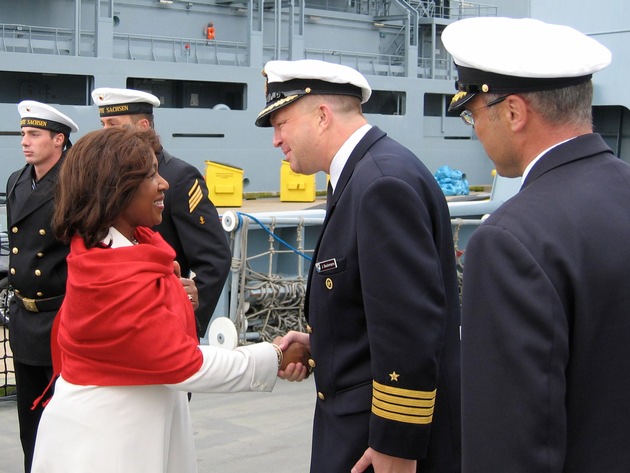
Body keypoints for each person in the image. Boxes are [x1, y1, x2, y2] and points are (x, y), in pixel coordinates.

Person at [29, 127, 309, 473]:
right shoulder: (117, 274)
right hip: (108, 443)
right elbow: (182, 365)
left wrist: (174, 296)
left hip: (130, 428)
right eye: (150, 175)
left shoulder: (115, 252)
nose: (164, 184)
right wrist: (275, 355)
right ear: (116, 189)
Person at [442, 17, 630, 473]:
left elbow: (508, 445)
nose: (474, 129)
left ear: (513, 113)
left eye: (474, 113)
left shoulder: (509, 242)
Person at [256, 59, 461, 473]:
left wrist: (396, 445)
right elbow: (375, 310)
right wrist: (325, 345)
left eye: (281, 124)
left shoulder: (381, 183)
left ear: (321, 115)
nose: (276, 140)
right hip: (358, 428)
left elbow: (411, 327)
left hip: (377, 444)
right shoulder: (360, 176)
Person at [91, 87, 231, 340]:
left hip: (165, 324)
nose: (105, 133)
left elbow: (214, 258)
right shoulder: (105, 176)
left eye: (113, 124)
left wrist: (188, 320)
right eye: (103, 124)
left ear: (143, 126)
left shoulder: (179, 178)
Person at [6, 101, 78, 473]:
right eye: (23, 134)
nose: (25, 141)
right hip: (24, 319)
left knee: (64, 421)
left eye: (34, 134)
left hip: (61, 320)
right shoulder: (17, 181)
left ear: (58, 140)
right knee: (29, 425)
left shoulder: (75, 184)